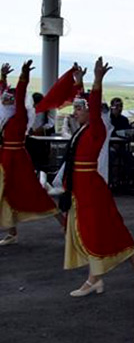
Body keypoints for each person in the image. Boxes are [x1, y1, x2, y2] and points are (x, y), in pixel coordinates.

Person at [41, 58, 134, 297]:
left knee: (99, 230)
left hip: (91, 188)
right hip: (81, 188)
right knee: (105, 230)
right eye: (76, 108)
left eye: (79, 109)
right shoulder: (82, 129)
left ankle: (97, 279)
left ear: (91, 111)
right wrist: (80, 83)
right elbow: (85, 104)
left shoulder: (97, 128)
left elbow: (91, 105)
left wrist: (98, 80)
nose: (75, 111)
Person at [0, 61, 64, 246]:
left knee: (34, 192)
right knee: (5, 195)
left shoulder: (19, 115)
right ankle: (12, 233)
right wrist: (3, 77)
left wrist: (24, 75)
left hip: (18, 159)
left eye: (8, 99)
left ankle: (63, 221)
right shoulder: (4, 118)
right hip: (5, 158)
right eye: (4, 98)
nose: (5, 101)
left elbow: (19, 94)